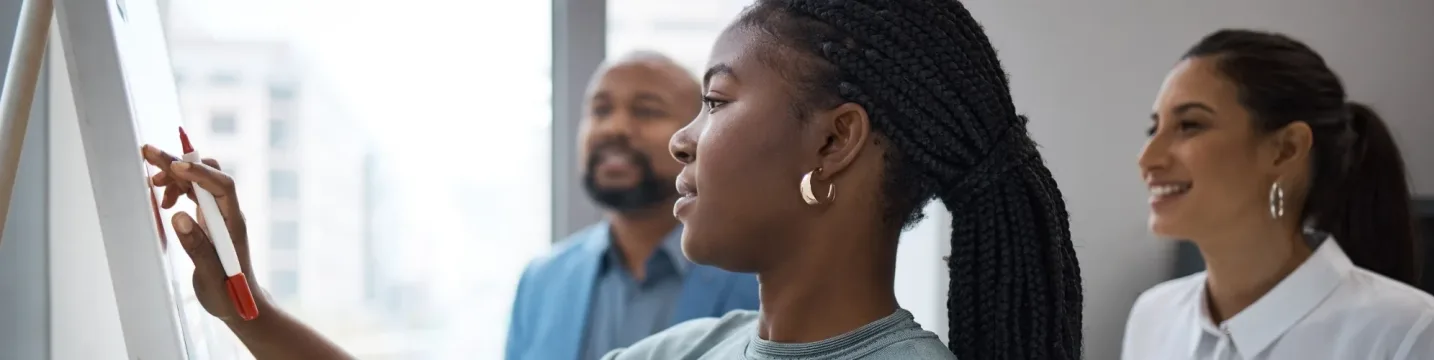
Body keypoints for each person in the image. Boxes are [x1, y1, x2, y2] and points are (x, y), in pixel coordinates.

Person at [141, 0, 1085, 359]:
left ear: (834, 142)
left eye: (713, 102)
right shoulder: (694, 350)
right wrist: (244, 309)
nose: (682, 139)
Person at [1123, 29, 1434, 360]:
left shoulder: (1410, 334)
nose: (1148, 159)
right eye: (1153, 128)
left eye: (1190, 125)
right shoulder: (1153, 316)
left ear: (1286, 150)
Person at [506, 50, 760, 360]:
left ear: (699, 137)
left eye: (647, 111)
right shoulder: (541, 280)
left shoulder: (757, 278)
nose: (615, 127)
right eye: (600, 110)